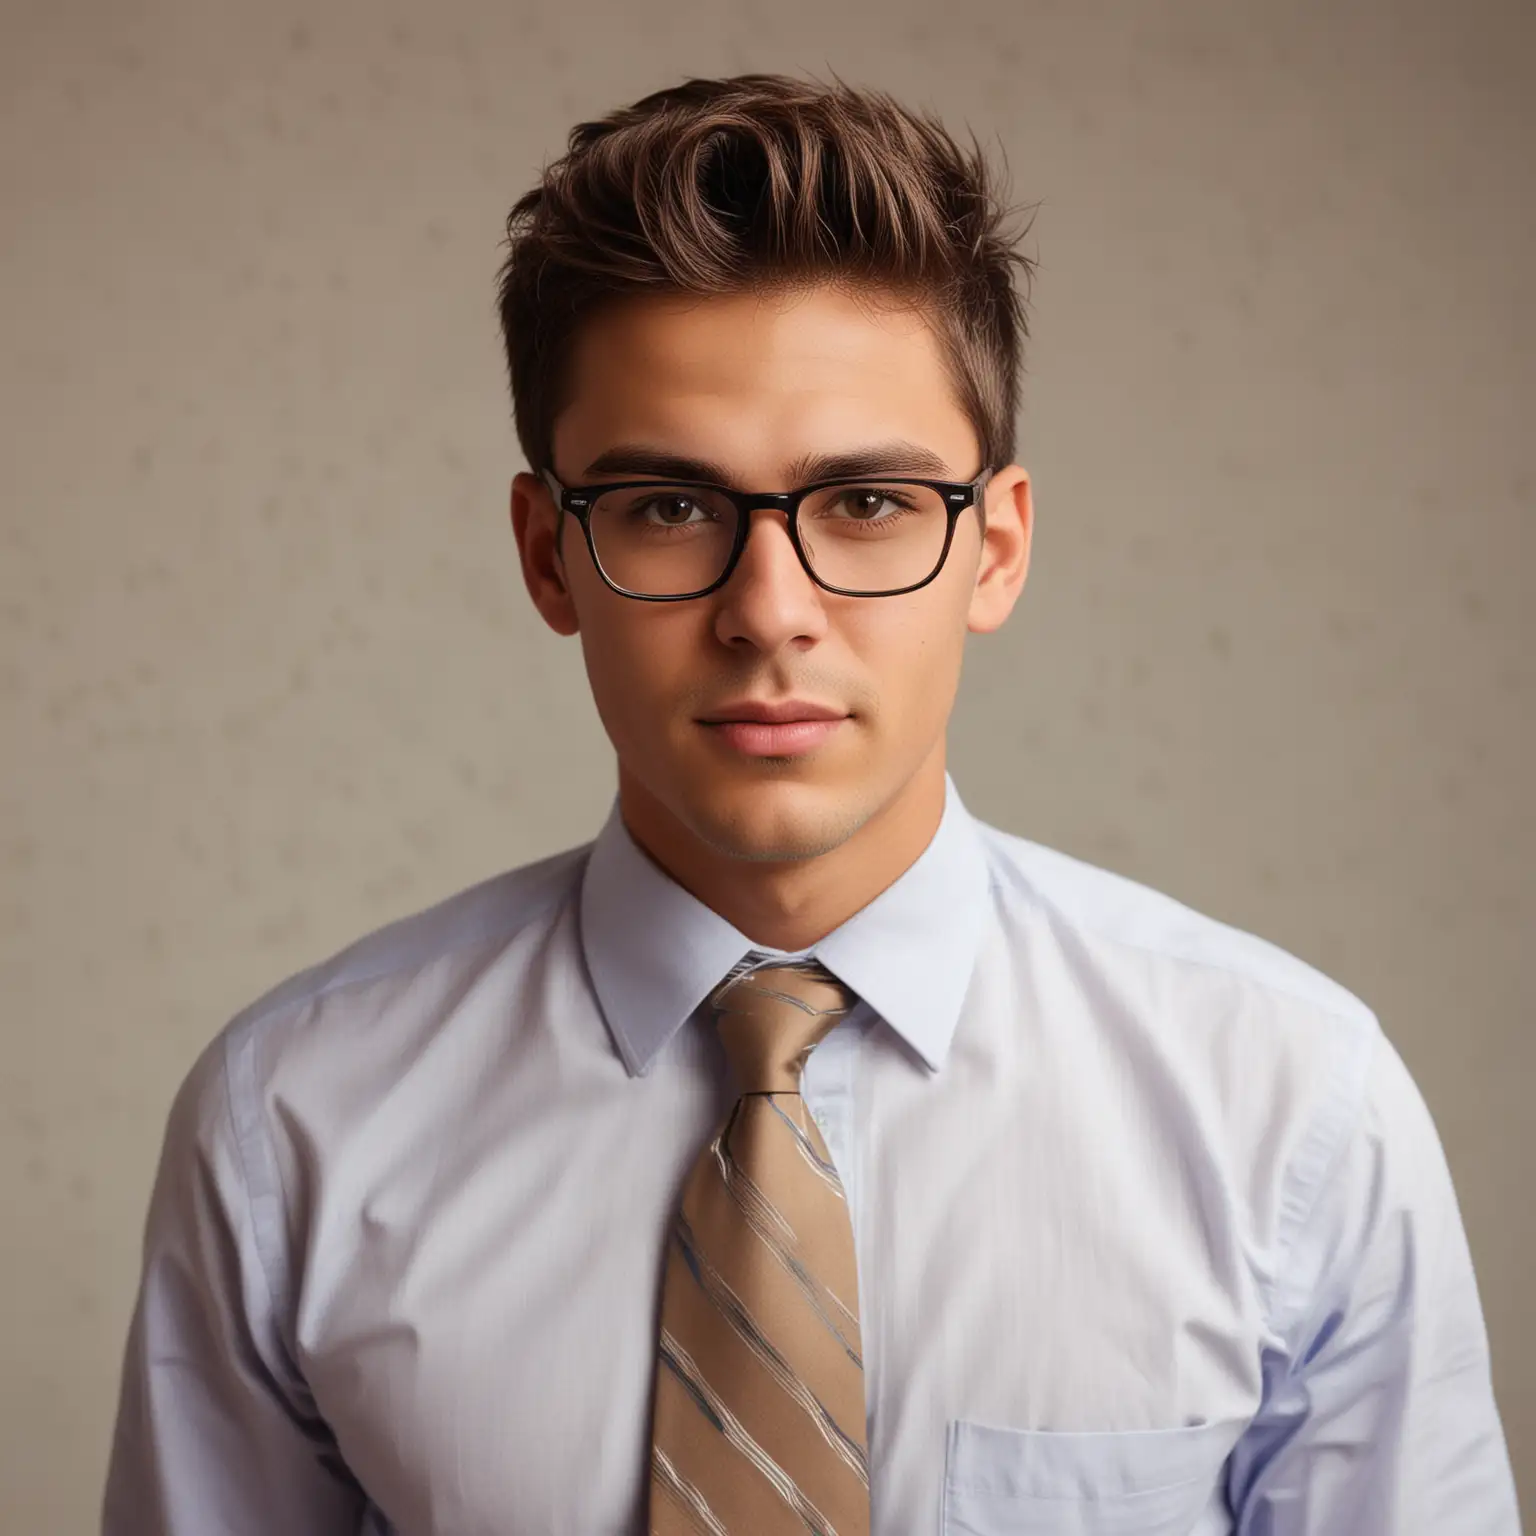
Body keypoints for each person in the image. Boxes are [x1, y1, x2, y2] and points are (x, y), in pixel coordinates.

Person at [102, 73, 1520, 1535]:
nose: (769, 612)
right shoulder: (296, 1126)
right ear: (545, 556)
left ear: (998, 549)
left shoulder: (1287, 1107)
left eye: (867, 505)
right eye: (667, 506)